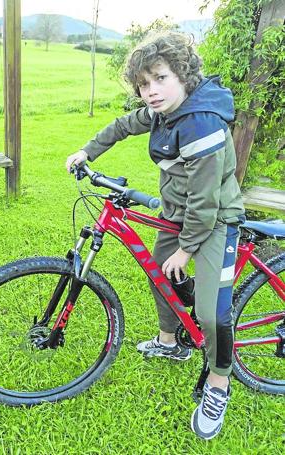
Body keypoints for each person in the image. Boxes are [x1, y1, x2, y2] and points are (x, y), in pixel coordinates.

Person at [65, 32, 245, 440]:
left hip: (214, 220)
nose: (150, 91)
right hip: (177, 214)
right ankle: (171, 341)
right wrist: (88, 150)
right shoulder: (163, 111)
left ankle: (219, 383)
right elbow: (125, 123)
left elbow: (205, 201)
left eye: (160, 79)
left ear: (182, 75)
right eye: (144, 84)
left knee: (211, 314)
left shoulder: (201, 121)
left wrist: (185, 249)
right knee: (158, 274)